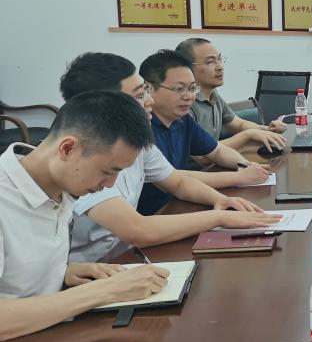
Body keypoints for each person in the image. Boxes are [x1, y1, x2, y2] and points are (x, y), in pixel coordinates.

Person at [60, 53, 282, 263]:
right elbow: (138, 230)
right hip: (89, 272)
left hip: (125, 260)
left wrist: (219, 200)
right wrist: (219, 217)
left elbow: (178, 181)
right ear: (101, 106)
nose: (149, 101)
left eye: (146, 92)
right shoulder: (84, 158)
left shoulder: (138, 140)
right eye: (139, 95)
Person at [0, 91, 171, 342]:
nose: (110, 184)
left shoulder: (61, 187)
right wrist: (105, 291)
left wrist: (61, 272)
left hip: (47, 340)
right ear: (67, 148)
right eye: (107, 171)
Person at [137, 49, 272, 215]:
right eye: (179, 89)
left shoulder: (183, 120)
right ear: (148, 89)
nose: (189, 96)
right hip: (153, 213)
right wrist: (239, 177)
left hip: (181, 202)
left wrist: (245, 165)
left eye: (192, 88)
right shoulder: (141, 129)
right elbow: (173, 177)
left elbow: (217, 151)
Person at [175, 38, 288, 153]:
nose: (220, 67)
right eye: (210, 62)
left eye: (219, 59)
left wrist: (269, 130)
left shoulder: (213, 95)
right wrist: (248, 135)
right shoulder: (184, 105)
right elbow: (201, 154)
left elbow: (239, 124)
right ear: (187, 69)